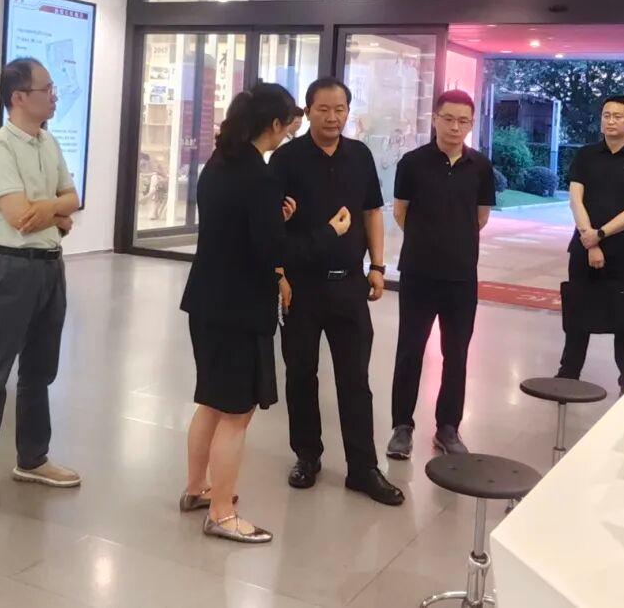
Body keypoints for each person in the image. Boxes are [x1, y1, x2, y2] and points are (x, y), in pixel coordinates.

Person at [179, 82, 349, 543]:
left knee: (210, 401)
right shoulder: (260, 176)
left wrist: (277, 218)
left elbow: (238, 229)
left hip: (205, 300)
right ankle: (221, 513)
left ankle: (196, 488)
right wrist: (329, 233)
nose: (290, 132)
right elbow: (273, 251)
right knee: (236, 414)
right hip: (240, 308)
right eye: (289, 124)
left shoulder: (219, 163)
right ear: (273, 124)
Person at [270, 77, 404, 506]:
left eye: (340, 109)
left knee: (355, 379)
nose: (332, 117)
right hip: (301, 288)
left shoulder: (360, 155)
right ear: (308, 111)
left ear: (348, 111)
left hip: (349, 284)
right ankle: (307, 455)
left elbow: (372, 212)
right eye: (323, 109)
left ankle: (362, 468)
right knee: (300, 374)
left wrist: (378, 266)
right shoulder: (286, 159)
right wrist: (279, 274)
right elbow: (270, 225)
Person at [0, 58, 80, 515]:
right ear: (19, 98)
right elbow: (18, 218)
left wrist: (50, 210)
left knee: (39, 371)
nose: (54, 96)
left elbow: (73, 199)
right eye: (47, 89)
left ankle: (33, 458)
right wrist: (57, 213)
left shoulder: (49, 143)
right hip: (11, 269)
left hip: (51, 267)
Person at [386, 90, 496, 460]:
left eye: (463, 121)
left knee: (457, 353)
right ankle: (402, 427)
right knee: (410, 350)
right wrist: (428, 241)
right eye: (448, 119)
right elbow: (400, 212)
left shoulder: (480, 167)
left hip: (461, 276)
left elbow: (480, 217)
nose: (455, 127)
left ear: (471, 124)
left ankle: (448, 427)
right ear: (435, 119)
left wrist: (454, 243)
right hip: (418, 273)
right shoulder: (412, 163)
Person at [555, 95, 624, 393]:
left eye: (618, 116)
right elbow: (575, 200)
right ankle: (568, 375)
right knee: (577, 315)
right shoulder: (586, 155)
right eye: (606, 115)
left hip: (623, 255)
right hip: (583, 250)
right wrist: (589, 240)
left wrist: (599, 235)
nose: (611, 121)